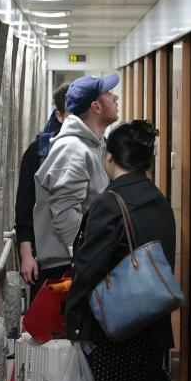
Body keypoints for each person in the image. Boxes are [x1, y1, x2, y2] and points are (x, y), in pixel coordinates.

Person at [63, 119, 176, 381]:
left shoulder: (111, 203)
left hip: (116, 326)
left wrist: (73, 319)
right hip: (151, 320)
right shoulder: (158, 200)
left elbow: (88, 267)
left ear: (108, 157)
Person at [31, 74, 120, 294]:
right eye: (109, 94)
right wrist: (91, 260)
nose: (115, 98)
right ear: (96, 107)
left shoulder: (92, 146)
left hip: (80, 262)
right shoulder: (73, 149)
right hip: (68, 268)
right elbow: (66, 220)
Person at [14, 83, 70, 289]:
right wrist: (26, 255)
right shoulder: (39, 152)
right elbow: (24, 209)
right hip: (48, 260)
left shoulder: (101, 150)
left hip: (89, 261)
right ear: (59, 116)